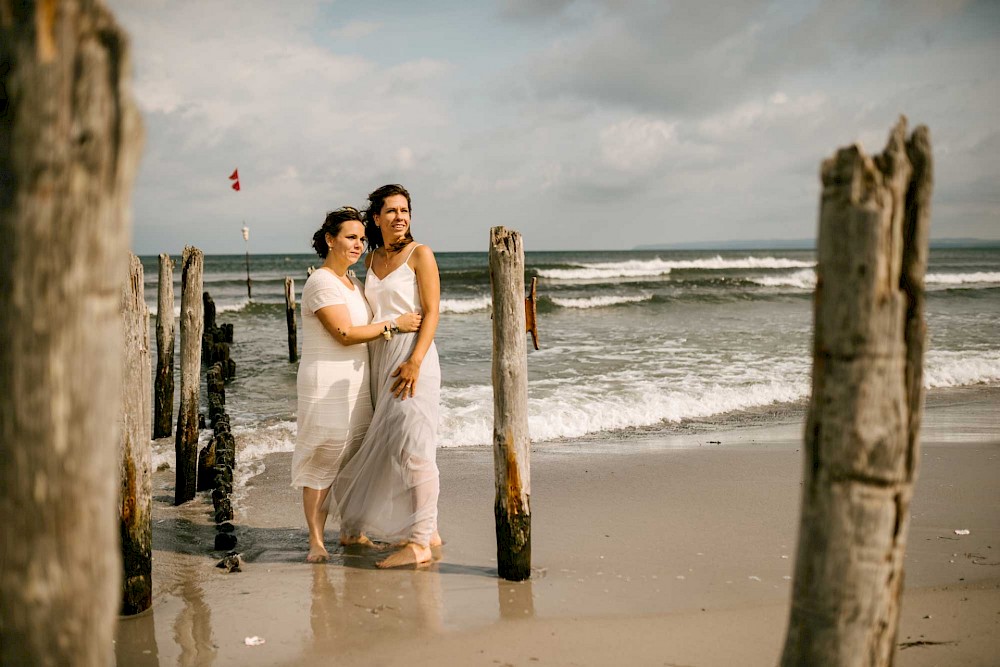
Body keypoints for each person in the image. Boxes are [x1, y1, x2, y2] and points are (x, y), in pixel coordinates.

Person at [291, 207, 422, 563]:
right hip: (325, 382)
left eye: (362, 239)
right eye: (351, 237)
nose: (358, 244)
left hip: (355, 383)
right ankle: (316, 541)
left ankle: (351, 532)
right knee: (324, 458)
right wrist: (395, 325)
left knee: (353, 457)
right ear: (329, 239)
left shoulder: (353, 282)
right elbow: (345, 333)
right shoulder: (321, 282)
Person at [335, 184, 443, 568]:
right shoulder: (370, 260)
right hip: (381, 357)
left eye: (405, 210)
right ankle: (427, 530)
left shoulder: (420, 255)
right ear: (376, 218)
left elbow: (431, 312)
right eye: (392, 211)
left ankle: (419, 544)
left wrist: (415, 361)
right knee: (397, 445)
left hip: (413, 357)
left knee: (414, 446)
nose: (400, 217)